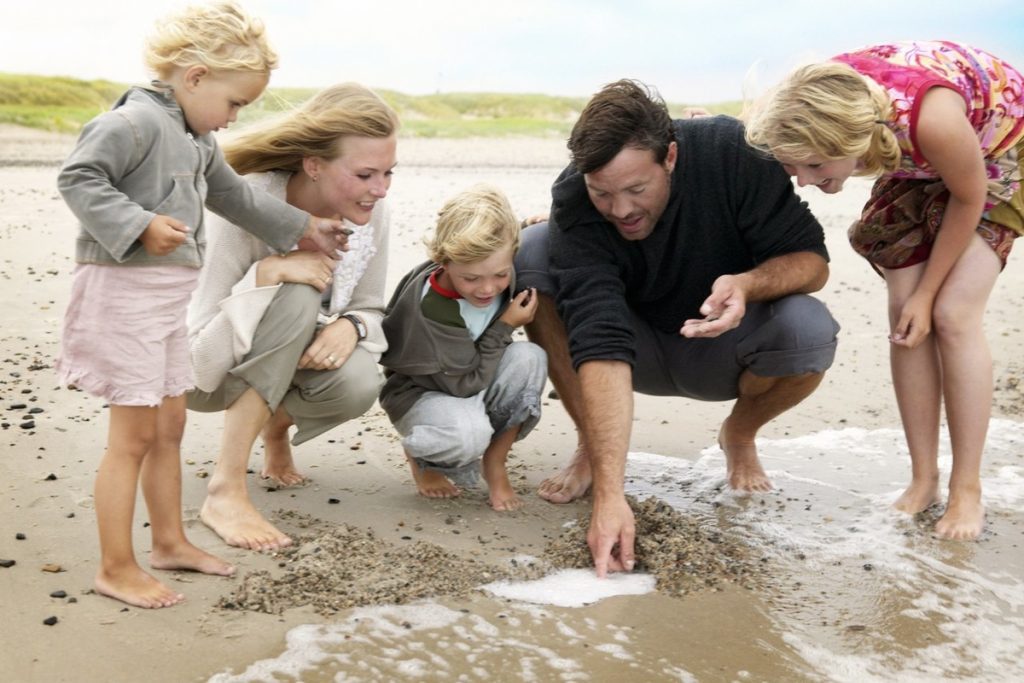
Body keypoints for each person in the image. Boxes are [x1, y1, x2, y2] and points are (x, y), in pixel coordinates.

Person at [54, 1, 352, 609]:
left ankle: (169, 542)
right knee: (131, 438)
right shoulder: (133, 124)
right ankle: (115, 565)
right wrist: (137, 224)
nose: (234, 117)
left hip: (164, 302)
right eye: (235, 102)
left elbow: (237, 198)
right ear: (195, 78)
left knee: (170, 426)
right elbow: (78, 179)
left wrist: (306, 228)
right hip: (122, 298)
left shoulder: (195, 137)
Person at [514, 79, 839, 576]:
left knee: (808, 328)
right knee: (535, 248)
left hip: (719, 346)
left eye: (636, 189)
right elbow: (599, 340)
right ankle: (590, 447)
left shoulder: (733, 154)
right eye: (603, 193)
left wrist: (749, 283)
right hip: (631, 347)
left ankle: (741, 433)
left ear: (670, 156)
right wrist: (611, 494)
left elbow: (812, 262)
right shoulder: (574, 197)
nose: (620, 209)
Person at [743, 41, 1024, 540]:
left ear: (845, 141)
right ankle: (924, 478)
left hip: (997, 154)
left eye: (814, 167)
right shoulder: (804, 108)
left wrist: (928, 293)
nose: (804, 182)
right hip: (913, 157)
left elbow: (969, 193)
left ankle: (966, 488)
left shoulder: (930, 118)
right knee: (904, 314)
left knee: (952, 314)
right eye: (795, 169)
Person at [187, 83, 398, 550]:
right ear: (314, 165)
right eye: (365, 174)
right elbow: (198, 361)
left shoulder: (369, 214)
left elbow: (370, 306)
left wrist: (354, 325)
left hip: (289, 361)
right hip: (203, 377)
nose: (379, 190)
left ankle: (274, 427)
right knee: (300, 289)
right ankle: (224, 489)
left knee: (360, 382)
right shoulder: (245, 204)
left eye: (388, 173)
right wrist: (266, 274)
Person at [379, 184, 546, 511]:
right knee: (468, 436)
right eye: (471, 279)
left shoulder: (490, 260)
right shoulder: (434, 309)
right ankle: (423, 457)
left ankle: (495, 463)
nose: (487, 288)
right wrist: (505, 326)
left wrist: (532, 227)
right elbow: (464, 384)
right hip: (426, 392)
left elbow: (502, 242)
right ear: (443, 260)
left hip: (471, 372)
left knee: (531, 358)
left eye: (500, 274)